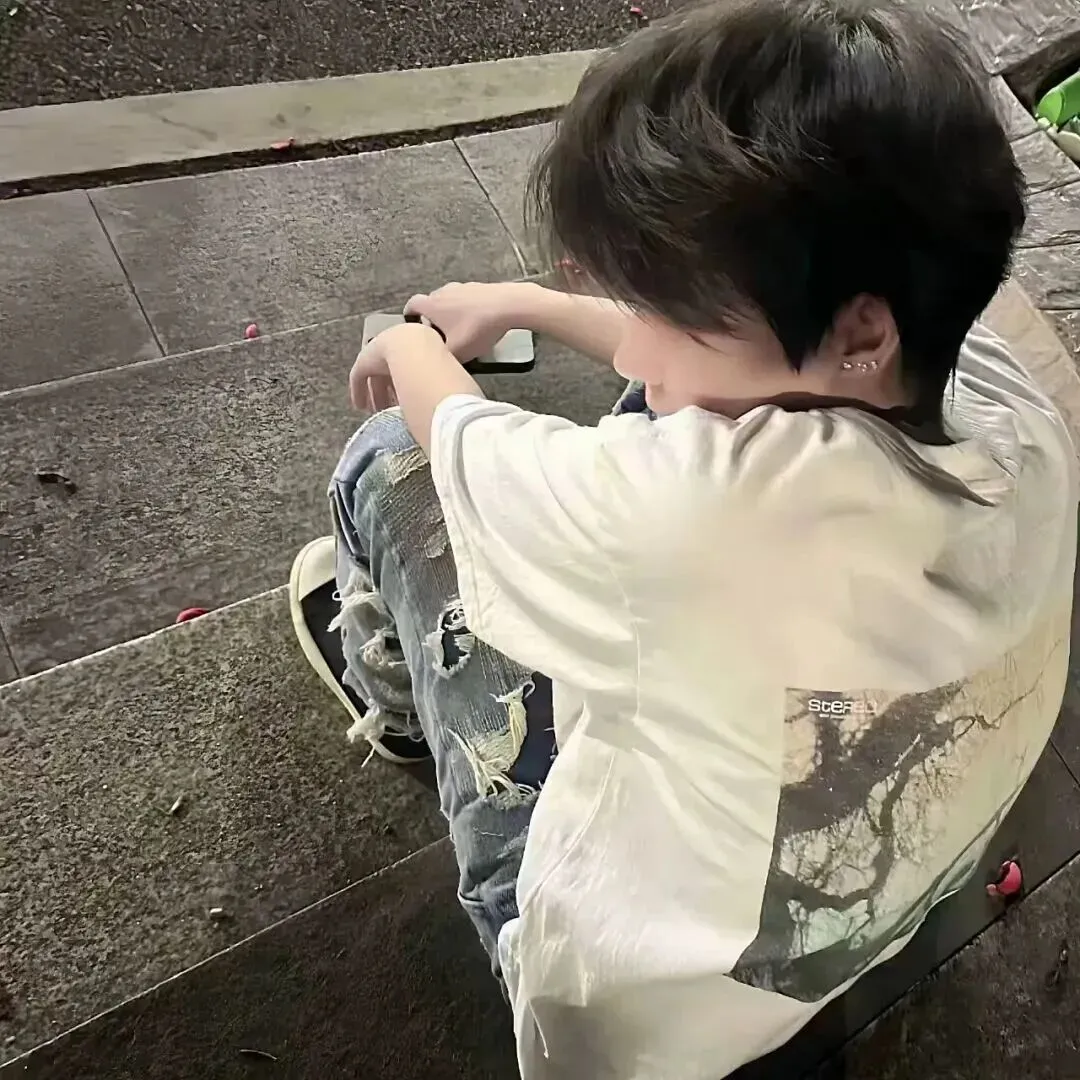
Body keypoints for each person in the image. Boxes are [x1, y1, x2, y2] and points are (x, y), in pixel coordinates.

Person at [288, 0, 1078, 1076]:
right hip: (881, 905)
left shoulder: (702, 521)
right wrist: (529, 303)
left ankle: (395, 705)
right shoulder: (1002, 387)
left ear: (858, 330)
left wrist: (416, 343)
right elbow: (722, 368)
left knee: (389, 461)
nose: (635, 343)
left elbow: (466, 448)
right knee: (668, 401)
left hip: (623, 1015)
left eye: (669, 308)